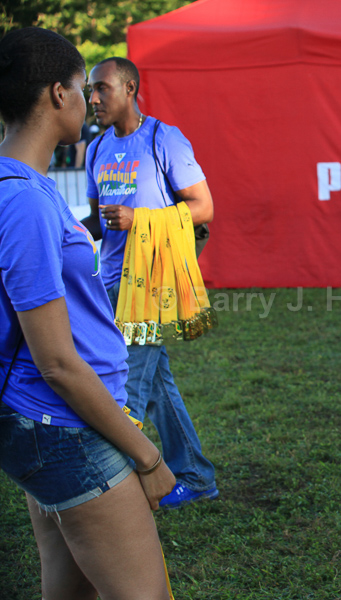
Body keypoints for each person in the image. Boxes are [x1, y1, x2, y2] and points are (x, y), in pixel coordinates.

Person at [0, 27, 176, 598]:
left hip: (50, 420)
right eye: (83, 87)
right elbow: (56, 361)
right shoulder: (24, 199)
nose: (89, 100)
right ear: (59, 93)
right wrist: (146, 457)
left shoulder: (27, 185)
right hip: (65, 425)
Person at [84, 57, 218, 508]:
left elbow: (203, 207)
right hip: (108, 283)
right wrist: (65, 231)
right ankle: (195, 475)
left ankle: (118, 492)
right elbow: (99, 221)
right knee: (157, 384)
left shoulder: (164, 139)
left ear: (130, 88)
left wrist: (138, 218)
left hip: (151, 285)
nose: (93, 98)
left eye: (102, 88)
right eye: (89, 90)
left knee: (127, 386)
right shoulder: (96, 149)